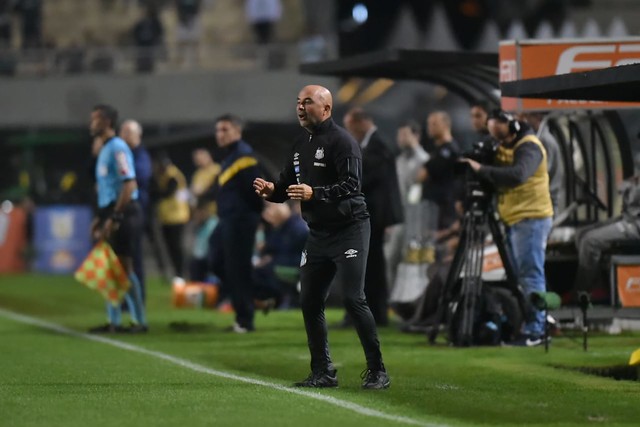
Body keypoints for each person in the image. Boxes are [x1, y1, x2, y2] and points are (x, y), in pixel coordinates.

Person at [253, 84, 389, 389]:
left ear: (326, 108)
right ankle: (323, 371)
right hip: (318, 234)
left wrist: (315, 193)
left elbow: (352, 185)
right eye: (298, 102)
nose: (300, 107)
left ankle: (377, 370)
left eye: (308, 102)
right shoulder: (299, 144)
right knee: (310, 300)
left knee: (354, 299)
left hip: (350, 228)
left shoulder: (343, 141)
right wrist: (272, 191)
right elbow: (287, 186)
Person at [460, 109, 553, 347]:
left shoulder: (529, 146)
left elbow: (518, 175)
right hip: (515, 218)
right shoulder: (505, 144)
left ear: (512, 126)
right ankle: (536, 323)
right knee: (522, 276)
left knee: (530, 275)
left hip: (531, 217)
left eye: (500, 134)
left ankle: (537, 329)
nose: (497, 141)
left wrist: (481, 170)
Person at [88, 104, 147, 334]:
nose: (91, 123)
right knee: (110, 269)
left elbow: (129, 184)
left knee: (124, 267)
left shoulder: (118, 148)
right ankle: (114, 321)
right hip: (110, 211)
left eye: (96, 119)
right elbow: (108, 188)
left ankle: (139, 321)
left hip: (124, 212)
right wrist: (100, 217)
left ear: (107, 122)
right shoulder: (104, 149)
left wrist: (115, 216)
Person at [342, 107, 404, 327]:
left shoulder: (378, 146)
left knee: (370, 266)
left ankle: (373, 314)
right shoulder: (373, 145)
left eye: (351, 127)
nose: (350, 132)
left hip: (373, 217)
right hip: (370, 216)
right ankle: (370, 314)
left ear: (362, 122)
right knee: (369, 265)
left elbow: (368, 179)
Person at [207, 114, 263, 333]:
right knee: (217, 260)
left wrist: (252, 217)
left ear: (237, 131)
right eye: (218, 130)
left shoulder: (244, 157)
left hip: (240, 220)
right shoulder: (230, 156)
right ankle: (256, 296)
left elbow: (254, 191)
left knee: (238, 269)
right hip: (227, 219)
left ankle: (245, 318)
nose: (220, 134)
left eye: (225, 129)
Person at [574, 166, 640, 294]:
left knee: (590, 241)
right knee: (580, 233)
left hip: (636, 225)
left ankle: (583, 292)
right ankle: (597, 282)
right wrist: (630, 183)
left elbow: (633, 197)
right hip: (629, 218)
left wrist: (631, 187)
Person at [119, 119, 153, 301]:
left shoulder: (140, 155)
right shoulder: (126, 154)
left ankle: (137, 299)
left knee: (134, 257)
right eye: (122, 132)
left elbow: (139, 177)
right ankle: (126, 297)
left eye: (127, 132)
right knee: (123, 257)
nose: (123, 136)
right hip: (125, 209)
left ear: (137, 135)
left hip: (135, 209)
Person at [254, 201, 308, 308]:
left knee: (263, 273)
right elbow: (270, 249)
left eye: (270, 208)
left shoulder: (298, 228)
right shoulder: (277, 228)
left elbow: (302, 257)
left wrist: (272, 260)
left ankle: (279, 301)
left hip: (295, 268)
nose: (267, 213)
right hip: (278, 264)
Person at [418, 111, 462, 232]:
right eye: (429, 124)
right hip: (433, 208)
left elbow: (422, 175)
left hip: (443, 209)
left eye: (434, 124)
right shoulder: (437, 150)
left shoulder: (449, 150)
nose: (430, 127)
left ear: (445, 125)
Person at [151, 153, 189, 280]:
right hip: (167, 218)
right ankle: (177, 273)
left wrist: (156, 193)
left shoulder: (173, 175)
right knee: (171, 247)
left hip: (177, 217)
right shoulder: (163, 176)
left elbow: (167, 192)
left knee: (176, 247)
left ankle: (181, 273)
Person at [520, 112, 565, 215]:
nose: (524, 120)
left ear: (538, 117)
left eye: (527, 116)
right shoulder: (540, 138)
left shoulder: (544, 140)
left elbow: (542, 169)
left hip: (546, 200)